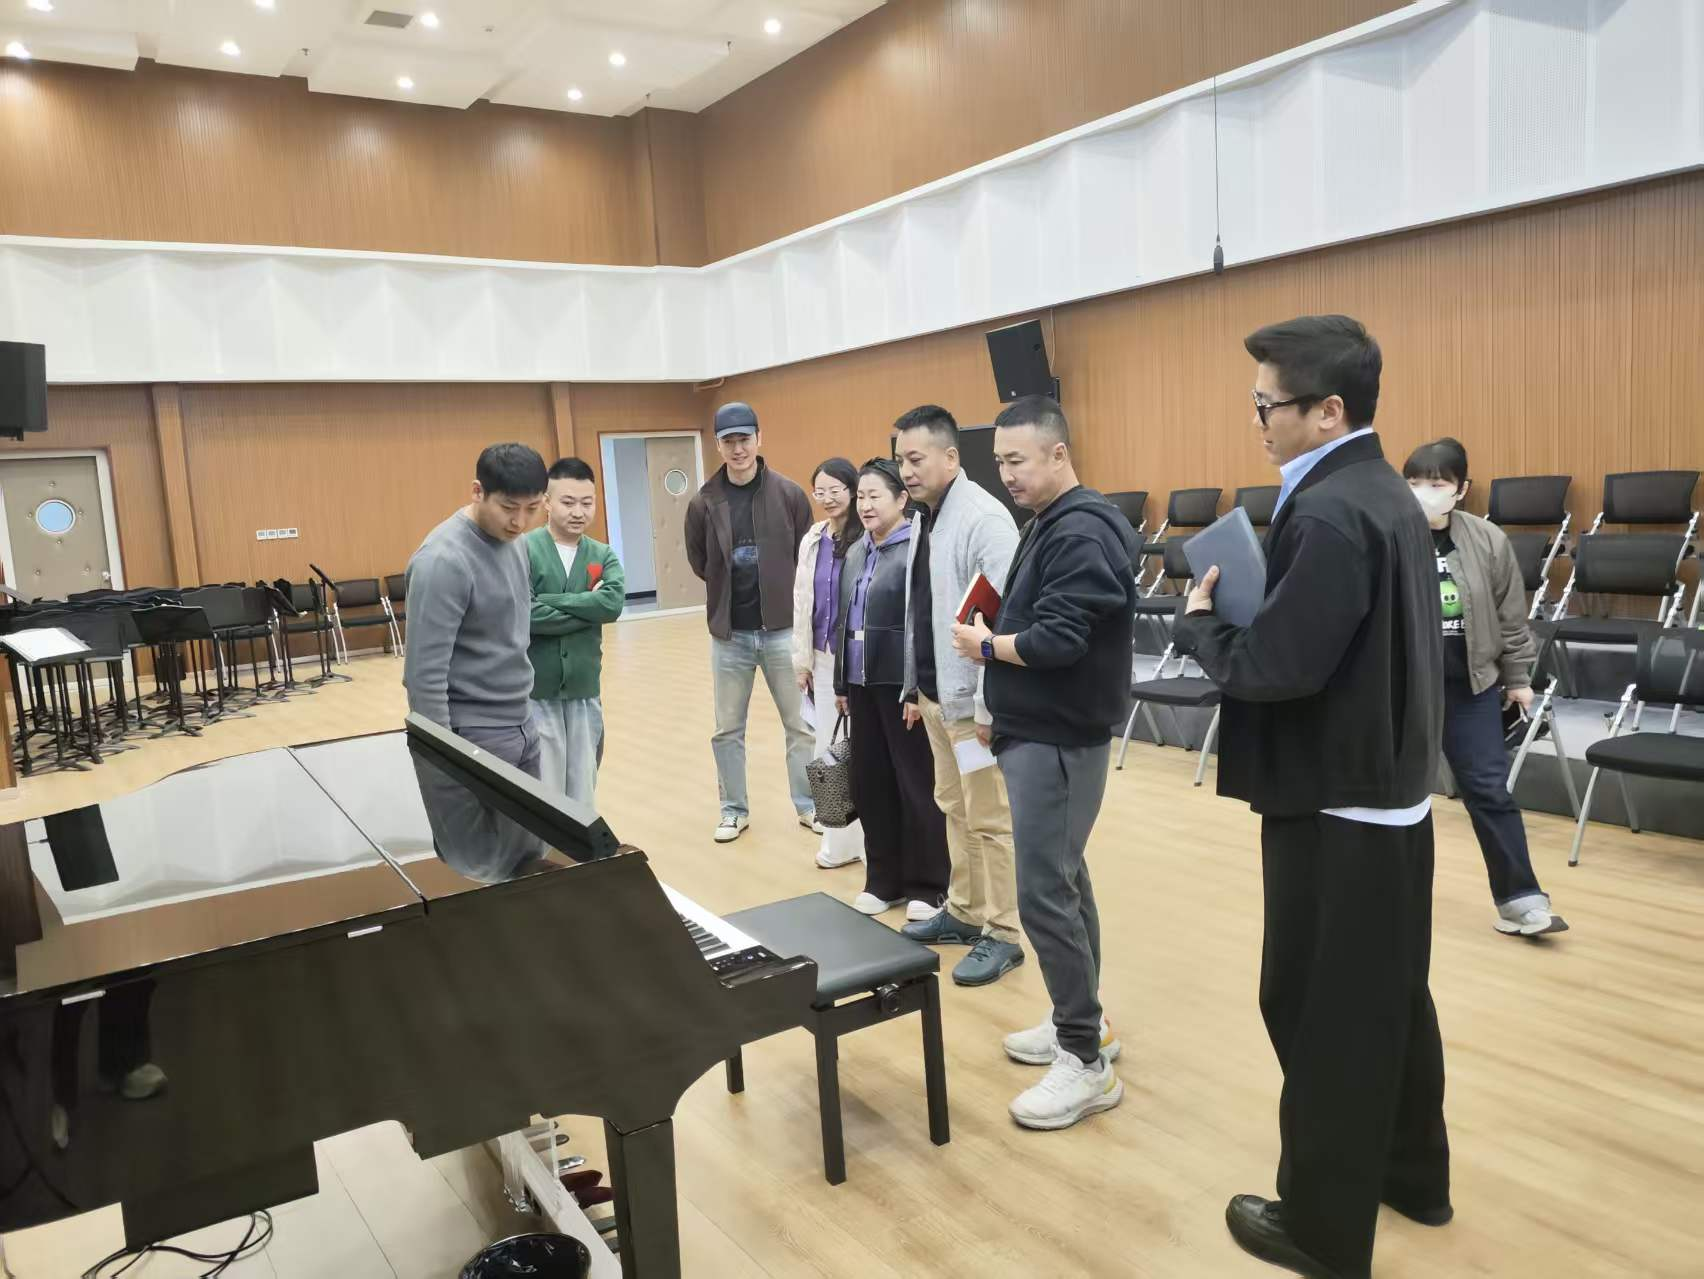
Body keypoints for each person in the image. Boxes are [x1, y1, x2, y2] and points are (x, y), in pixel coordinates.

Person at [1172, 315, 1450, 1279]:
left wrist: (1202, 624)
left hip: (1337, 804)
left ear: (1329, 410)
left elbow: (1276, 667)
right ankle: (1414, 1174)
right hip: (1389, 793)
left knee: (1316, 1009)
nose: (1258, 421)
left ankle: (1323, 1230)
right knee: (1390, 997)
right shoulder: (1384, 493)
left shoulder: (1331, 510)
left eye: (1269, 406)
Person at [950, 395, 1133, 1131]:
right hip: (1039, 730)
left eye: (1017, 460)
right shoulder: (1052, 520)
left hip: (1059, 738)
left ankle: (1084, 1061)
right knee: (1065, 880)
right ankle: (1079, 1022)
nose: (1007, 474)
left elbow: (1059, 640)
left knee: (1045, 894)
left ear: (1059, 453)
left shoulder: (1081, 528)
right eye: (999, 461)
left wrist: (987, 647)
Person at [1404, 438, 1567, 937]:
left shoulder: (1487, 539)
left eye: (1437, 483)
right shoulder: (1388, 533)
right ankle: (1384, 899)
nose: (1424, 492)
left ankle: (1521, 901)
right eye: (1413, 482)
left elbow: (1511, 618)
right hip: (1404, 689)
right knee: (1393, 796)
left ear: (1461, 488)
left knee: (1489, 791)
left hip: (1470, 688)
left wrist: (1518, 679)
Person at [892, 405, 1025, 988]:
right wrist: (913, 687)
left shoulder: (984, 520)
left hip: (973, 707)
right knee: (954, 806)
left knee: (990, 819)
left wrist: (989, 706)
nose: (906, 471)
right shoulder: (925, 517)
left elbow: (1005, 619)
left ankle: (1005, 931)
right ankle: (967, 911)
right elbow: (920, 609)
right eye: (900, 460)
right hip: (935, 696)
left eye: (915, 459)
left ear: (950, 457)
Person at [404, 442, 549, 882]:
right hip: (472, 736)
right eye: (508, 508)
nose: (519, 522)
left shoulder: (516, 543)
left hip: (521, 726)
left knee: (530, 866)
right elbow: (423, 679)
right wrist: (447, 762)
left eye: (532, 509)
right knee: (479, 872)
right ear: (477, 492)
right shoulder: (442, 561)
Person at [684, 401, 818, 843]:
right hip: (730, 636)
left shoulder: (790, 495)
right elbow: (700, 562)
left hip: (784, 632)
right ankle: (733, 811)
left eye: (745, 439)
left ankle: (811, 806)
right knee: (727, 730)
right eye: (729, 441)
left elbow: (806, 560)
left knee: (801, 725)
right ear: (717, 445)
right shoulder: (704, 502)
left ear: (759, 439)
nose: (738, 448)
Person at [833, 459, 950, 916]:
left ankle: (929, 885)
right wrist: (842, 682)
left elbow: (924, 623)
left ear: (902, 499)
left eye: (874, 496)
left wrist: (916, 688)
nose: (865, 505)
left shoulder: (918, 548)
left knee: (915, 786)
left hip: (902, 687)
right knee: (871, 784)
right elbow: (844, 619)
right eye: (860, 497)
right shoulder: (856, 551)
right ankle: (884, 880)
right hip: (861, 683)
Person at [524, 457, 625, 808]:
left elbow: (611, 605)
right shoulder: (523, 550)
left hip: (584, 689)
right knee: (543, 787)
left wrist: (549, 601)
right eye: (568, 502)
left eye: (587, 502)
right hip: (537, 692)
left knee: (583, 787)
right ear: (546, 502)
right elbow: (525, 614)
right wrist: (587, 607)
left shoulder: (603, 554)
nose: (578, 512)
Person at [792, 456, 867, 870]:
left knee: (864, 750)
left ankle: (871, 843)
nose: (827, 498)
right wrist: (801, 661)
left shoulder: (866, 537)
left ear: (852, 490)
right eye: (819, 491)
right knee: (829, 749)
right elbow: (802, 602)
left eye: (835, 490)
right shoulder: (813, 538)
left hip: (856, 659)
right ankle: (839, 842)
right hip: (821, 658)